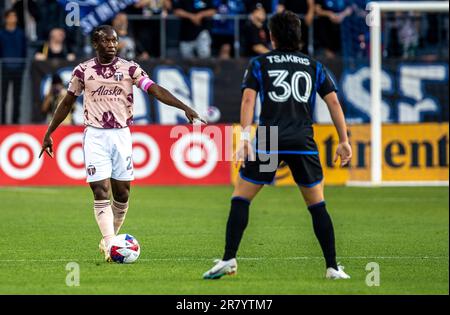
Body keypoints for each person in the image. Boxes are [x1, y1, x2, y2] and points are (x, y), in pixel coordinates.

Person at [202, 11, 352, 280]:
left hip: (270, 136)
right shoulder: (314, 65)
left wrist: (245, 140)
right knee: (317, 205)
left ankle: (228, 259)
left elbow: (248, 102)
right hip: (302, 139)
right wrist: (344, 141)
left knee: (241, 198)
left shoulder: (260, 63)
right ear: (299, 36)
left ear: (271, 37)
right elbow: (334, 103)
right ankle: (332, 267)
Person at [39, 25, 205, 262]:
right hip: (95, 135)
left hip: (121, 135)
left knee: (122, 193)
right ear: (95, 44)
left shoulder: (130, 69)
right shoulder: (83, 71)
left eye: (114, 41)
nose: (112, 44)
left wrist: (184, 107)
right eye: (106, 41)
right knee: (100, 189)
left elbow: (154, 89)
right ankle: (110, 246)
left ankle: (112, 238)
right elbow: (67, 102)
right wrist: (49, 133)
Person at [0, 9, 26, 124]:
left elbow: (24, 51)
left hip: (18, 69)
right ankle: (3, 122)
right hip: (4, 68)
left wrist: (22, 66)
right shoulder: (1, 34)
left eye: (14, 16)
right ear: (6, 18)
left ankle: (15, 122)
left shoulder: (21, 34)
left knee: (17, 98)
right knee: (3, 97)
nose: (13, 18)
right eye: (10, 16)